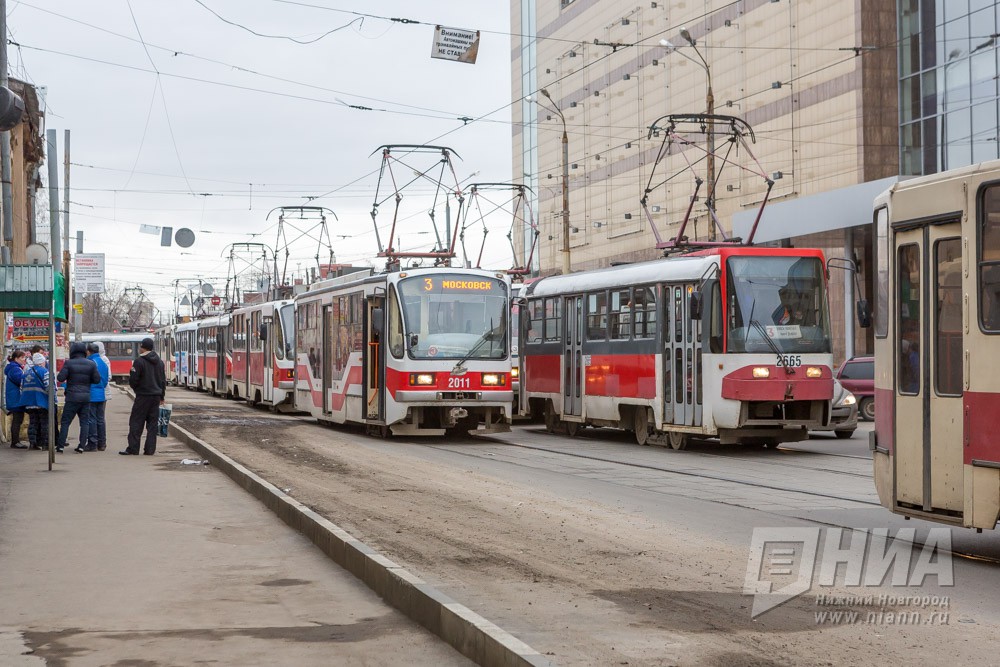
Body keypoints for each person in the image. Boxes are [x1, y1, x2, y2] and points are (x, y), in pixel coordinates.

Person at [122, 337, 166, 456]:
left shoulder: (139, 361)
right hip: (156, 397)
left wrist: (137, 390)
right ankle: (150, 450)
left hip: (143, 396)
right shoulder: (160, 362)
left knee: (136, 422)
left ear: (142, 347)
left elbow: (133, 379)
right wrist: (162, 396)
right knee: (152, 424)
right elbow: (163, 381)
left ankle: (133, 448)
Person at [57, 341, 100, 454]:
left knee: (65, 422)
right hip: (86, 397)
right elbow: (97, 380)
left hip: (72, 397)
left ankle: (60, 446)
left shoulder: (69, 363)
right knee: (84, 422)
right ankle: (81, 446)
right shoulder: (91, 364)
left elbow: (60, 378)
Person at [20, 353, 54, 450]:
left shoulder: (26, 372)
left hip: (29, 402)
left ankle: (32, 443)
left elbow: (21, 388)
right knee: (44, 424)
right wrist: (53, 400)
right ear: (41, 362)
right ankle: (45, 444)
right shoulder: (45, 372)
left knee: (33, 423)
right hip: (41, 402)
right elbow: (49, 387)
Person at [83, 342, 110, 452]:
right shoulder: (103, 362)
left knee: (91, 419)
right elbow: (105, 380)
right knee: (101, 419)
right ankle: (102, 443)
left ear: (88, 352)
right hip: (101, 394)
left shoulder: (90, 362)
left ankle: (92, 443)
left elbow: (86, 379)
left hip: (92, 394)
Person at [4, 350, 27, 449]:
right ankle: (15, 441)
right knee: (17, 420)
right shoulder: (15, 369)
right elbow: (21, 380)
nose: (24, 359)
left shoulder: (13, 368)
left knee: (17, 420)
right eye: (22, 357)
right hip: (16, 398)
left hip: (14, 397)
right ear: (16, 358)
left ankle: (16, 441)